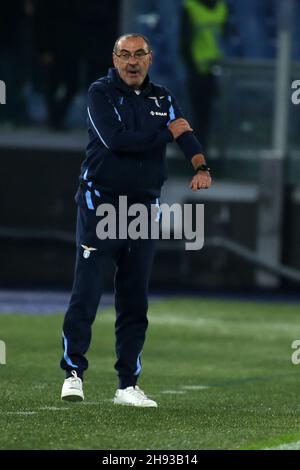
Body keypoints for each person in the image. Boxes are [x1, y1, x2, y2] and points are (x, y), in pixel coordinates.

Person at [60, 33, 212, 407]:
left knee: (134, 299)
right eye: (124, 55)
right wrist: (166, 132)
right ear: (114, 59)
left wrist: (201, 165)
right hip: (102, 203)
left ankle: (127, 385)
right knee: (88, 291)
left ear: (150, 58)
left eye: (138, 54)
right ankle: (73, 373)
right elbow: (116, 140)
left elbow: (185, 133)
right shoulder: (100, 93)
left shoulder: (163, 96)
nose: (132, 62)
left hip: (143, 207)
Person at [181, 0, 228, 148]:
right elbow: (184, 42)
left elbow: (225, 37)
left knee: (209, 116)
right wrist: (192, 68)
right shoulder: (191, 8)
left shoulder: (221, 8)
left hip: (217, 68)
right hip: (198, 71)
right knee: (199, 115)